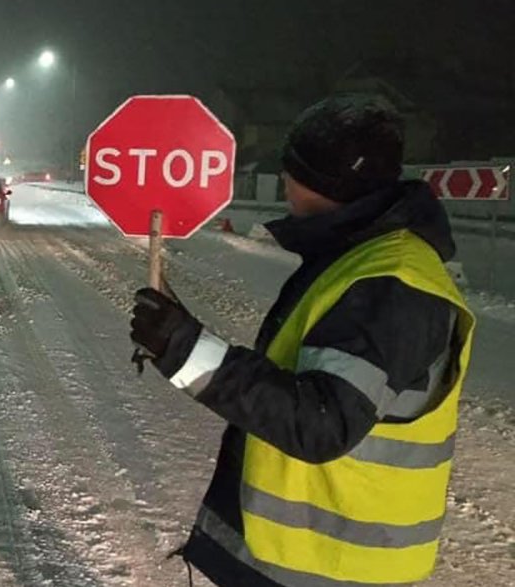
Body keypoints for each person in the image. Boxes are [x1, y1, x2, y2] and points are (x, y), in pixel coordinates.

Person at [130, 94, 473, 587]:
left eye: (293, 170)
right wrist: (185, 336)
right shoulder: (360, 259)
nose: (285, 182)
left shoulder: (391, 283)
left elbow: (322, 423)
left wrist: (187, 349)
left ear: (328, 183)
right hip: (304, 557)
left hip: (336, 566)